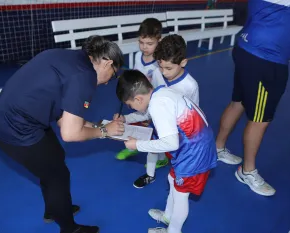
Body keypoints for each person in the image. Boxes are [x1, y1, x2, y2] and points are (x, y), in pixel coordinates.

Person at [0, 35, 125, 233]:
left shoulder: (67, 57)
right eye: (113, 76)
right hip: (17, 130)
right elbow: (70, 134)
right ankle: (69, 228)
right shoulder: (84, 76)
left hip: (11, 119)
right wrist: (105, 132)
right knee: (58, 175)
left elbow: (65, 115)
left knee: (55, 160)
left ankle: (54, 209)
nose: (107, 83)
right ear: (108, 63)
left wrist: (98, 125)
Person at [115, 70, 217, 233]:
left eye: (130, 105)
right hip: (193, 147)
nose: (131, 107)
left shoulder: (157, 105)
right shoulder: (159, 93)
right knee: (172, 179)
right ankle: (168, 216)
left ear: (138, 99)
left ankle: (173, 231)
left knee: (181, 194)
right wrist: (126, 119)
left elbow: (170, 143)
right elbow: (147, 114)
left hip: (194, 154)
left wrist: (137, 145)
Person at [215, 0, 289, 196]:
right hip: (266, 58)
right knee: (260, 119)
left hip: (247, 49)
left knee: (237, 102)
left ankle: (218, 148)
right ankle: (247, 172)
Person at [128, 34, 200, 188]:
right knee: (152, 145)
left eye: (168, 68)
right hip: (158, 121)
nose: (164, 72)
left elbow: (193, 111)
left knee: (177, 156)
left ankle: (178, 177)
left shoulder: (190, 86)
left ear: (183, 62)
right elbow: (151, 97)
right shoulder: (156, 73)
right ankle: (150, 175)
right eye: (160, 66)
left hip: (180, 129)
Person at [115, 18, 162, 161]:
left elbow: (159, 88)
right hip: (138, 99)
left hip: (152, 101)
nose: (144, 47)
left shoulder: (159, 65)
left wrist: (150, 114)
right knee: (135, 123)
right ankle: (133, 146)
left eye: (149, 44)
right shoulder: (137, 56)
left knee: (155, 130)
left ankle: (159, 156)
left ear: (159, 41)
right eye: (141, 42)